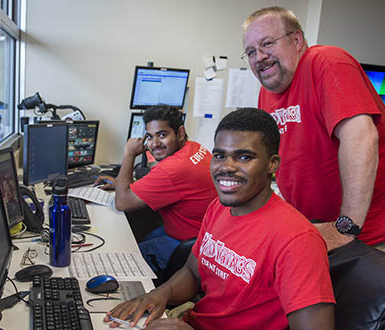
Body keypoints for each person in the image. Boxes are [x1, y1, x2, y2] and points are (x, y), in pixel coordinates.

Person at [105, 108, 335, 330]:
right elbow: (193, 272)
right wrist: (159, 294)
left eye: (244, 157)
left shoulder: (298, 241)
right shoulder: (219, 207)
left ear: (272, 164)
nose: (226, 167)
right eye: (219, 155)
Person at [242, 6, 385, 260]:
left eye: (267, 43)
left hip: (369, 232)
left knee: (347, 301)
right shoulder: (267, 93)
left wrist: (346, 226)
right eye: (250, 52)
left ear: (296, 40)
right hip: (317, 227)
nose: (259, 57)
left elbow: (361, 137)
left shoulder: (327, 63)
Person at [95, 106, 217, 273]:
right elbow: (163, 180)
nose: (154, 143)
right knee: (141, 234)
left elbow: (122, 203)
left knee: (122, 258)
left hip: (188, 245)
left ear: (180, 133)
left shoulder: (173, 168)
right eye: (150, 137)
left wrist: (129, 154)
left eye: (162, 135)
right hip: (203, 234)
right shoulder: (194, 147)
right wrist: (122, 184)